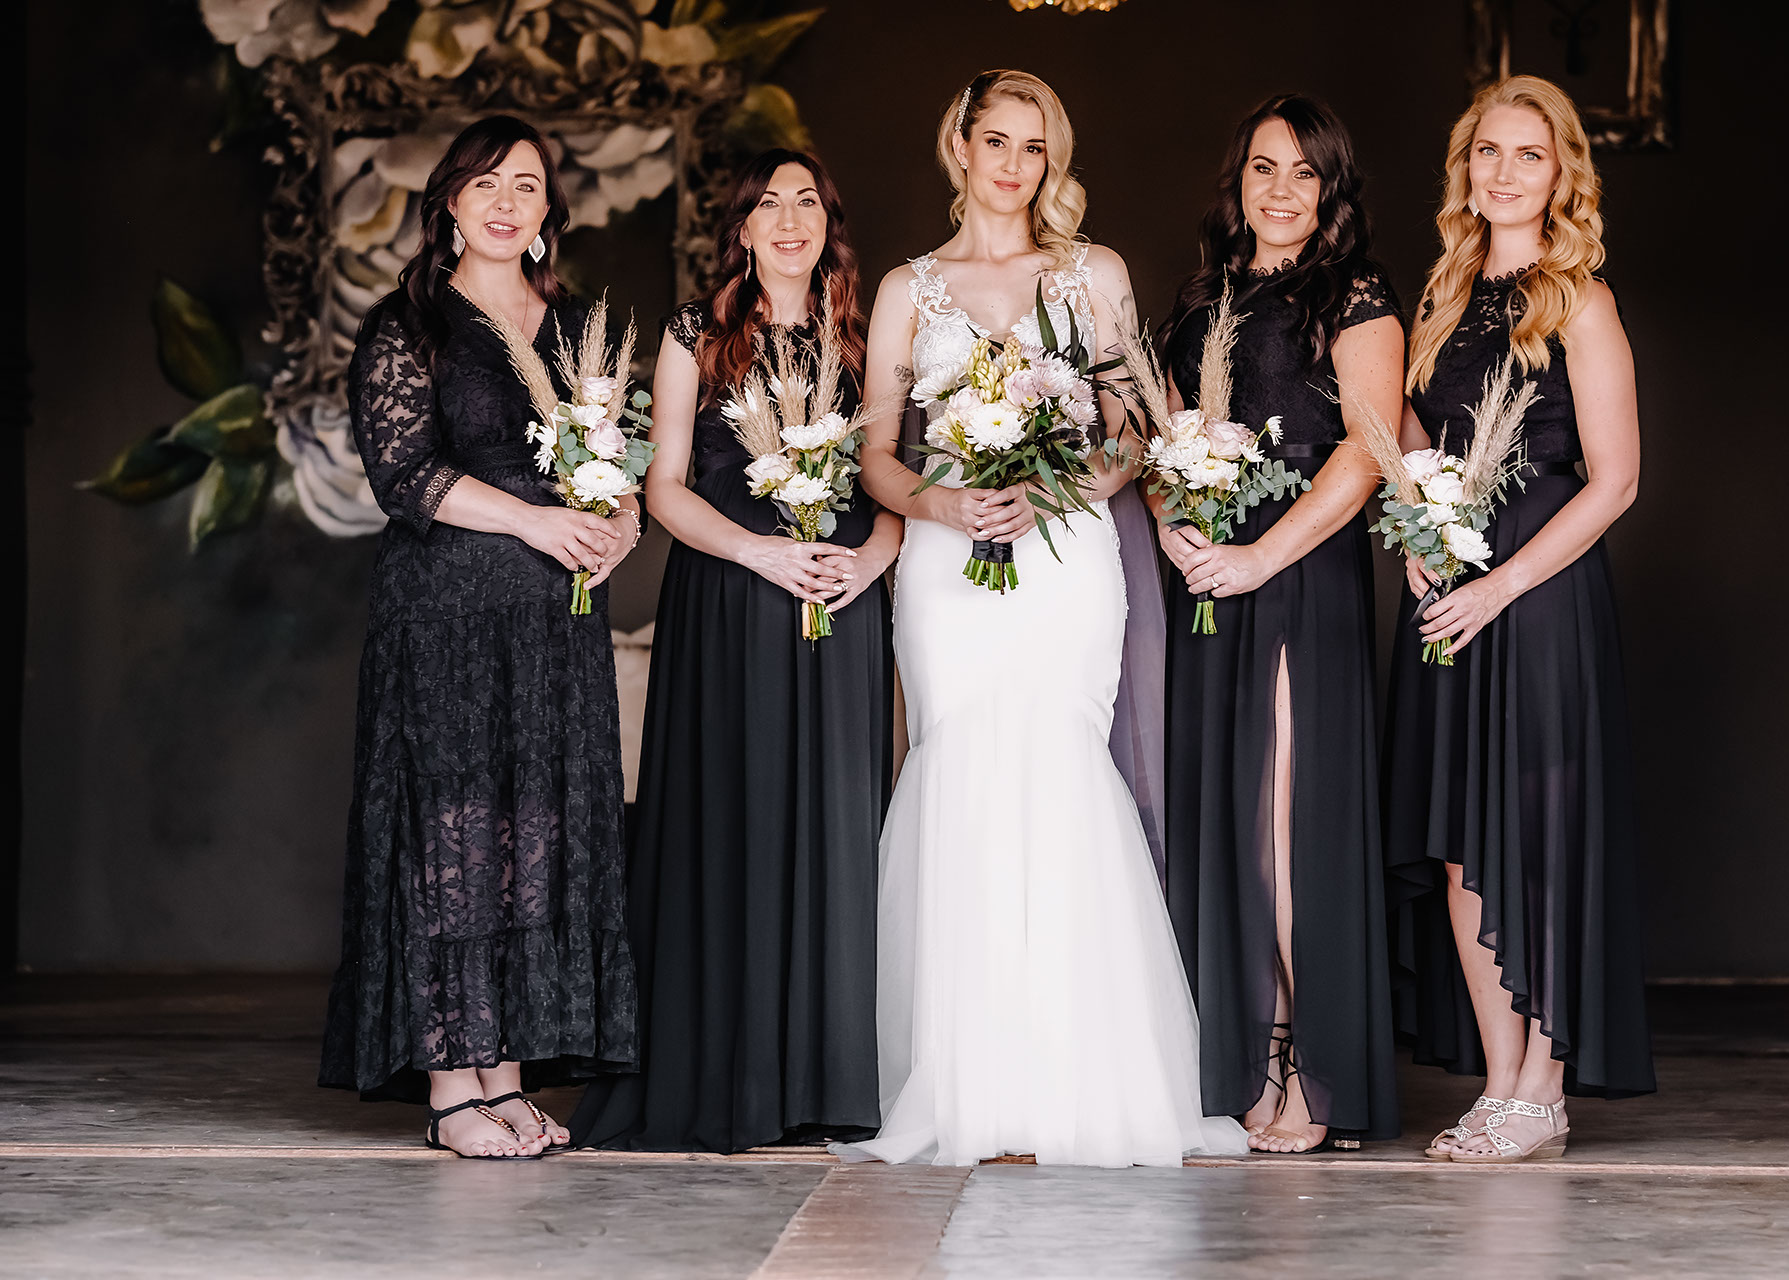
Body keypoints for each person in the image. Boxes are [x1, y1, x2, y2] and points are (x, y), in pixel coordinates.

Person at [836, 69, 1246, 1168]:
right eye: (997, 142)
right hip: (946, 559)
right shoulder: (908, 289)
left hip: (1066, 558)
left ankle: (1083, 1079)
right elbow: (877, 453)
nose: (1015, 166)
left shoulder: (1092, 274)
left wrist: (1057, 489)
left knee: (1063, 765)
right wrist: (942, 503)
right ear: (959, 147)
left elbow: (1132, 432)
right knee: (959, 765)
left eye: (1036, 147)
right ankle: (964, 1080)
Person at [319, 115, 641, 1158]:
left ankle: (506, 1073)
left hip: (555, 626)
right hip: (447, 618)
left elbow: (617, 458)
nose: (507, 202)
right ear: (450, 202)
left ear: (549, 210)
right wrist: (537, 523)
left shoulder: (577, 326)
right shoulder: (408, 323)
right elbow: (405, 474)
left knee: (531, 836)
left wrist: (621, 522)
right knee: (453, 835)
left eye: (528, 185)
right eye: (487, 183)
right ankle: (452, 1086)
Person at [566, 151, 899, 1153]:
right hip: (730, 599)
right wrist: (759, 551)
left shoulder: (868, 337)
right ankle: (733, 1077)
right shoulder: (694, 333)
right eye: (769, 204)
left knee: (836, 830)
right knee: (736, 818)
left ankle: (826, 1081)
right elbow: (664, 486)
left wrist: (869, 563)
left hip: (840, 604)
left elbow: (900, 480)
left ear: (828, 224)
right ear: (742, 227)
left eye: (808, 202)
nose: (789, 219)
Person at [1385, 74, 1655, 1164]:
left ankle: (1544, 1089)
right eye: (1487, 152)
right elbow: (1409, 433)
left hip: (1539, 599)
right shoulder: (1441, 295)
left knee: (1534, 841)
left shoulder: (1579, 298)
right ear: (1465, 169)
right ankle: (1501, 1082)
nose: (1503, 171)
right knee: (1464, 847)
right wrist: (1417, 528)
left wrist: (1503, 584)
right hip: (1449, 588)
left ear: (1561, 175)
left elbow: (1616, 479)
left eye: (1528, 155)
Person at [1157, 94, 1403, 1154]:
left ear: (1331, 187)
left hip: (1300, 567)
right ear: (1240, 178)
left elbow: (1368, 445)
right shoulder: (1201, 294)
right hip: (1209, 570)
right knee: (1228, 818)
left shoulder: (1356, 291)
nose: (1282, 190)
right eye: (1265, 167)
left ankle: (1313, 1059)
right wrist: (1175, 525)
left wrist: (1261, 556)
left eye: (1305, 172)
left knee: (1288, 817)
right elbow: (1166, 436)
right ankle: (1247, 1045)